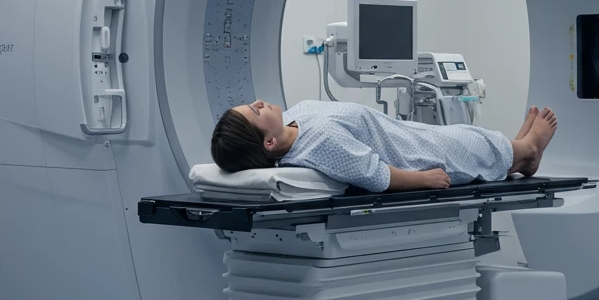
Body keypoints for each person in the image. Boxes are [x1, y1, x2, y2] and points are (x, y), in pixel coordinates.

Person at [210, 99, 558, 193]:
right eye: (254, 112)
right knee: (472, 147)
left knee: (468, 137)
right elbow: (374, 174)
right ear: (269, 142)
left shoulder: (295, 116)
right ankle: (528, 152)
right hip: (413, 155)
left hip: (405, 133)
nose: (258, 102)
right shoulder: (319, 145)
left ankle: (519, 149)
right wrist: (423, 180)